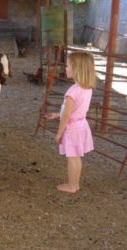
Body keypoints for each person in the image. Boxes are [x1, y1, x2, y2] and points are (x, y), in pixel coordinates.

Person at [45, 51, 96, 193]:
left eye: (68, 66)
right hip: (81, 125)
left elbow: (67, 115)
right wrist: (56, 114)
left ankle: (72, 186)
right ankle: (75, 184)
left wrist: (59, 133)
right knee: (76, 157)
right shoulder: (86, 88)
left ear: (76, 69)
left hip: (72, 129)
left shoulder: (72, 91)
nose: (65, 68)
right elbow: (75, 111)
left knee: (72, 158)